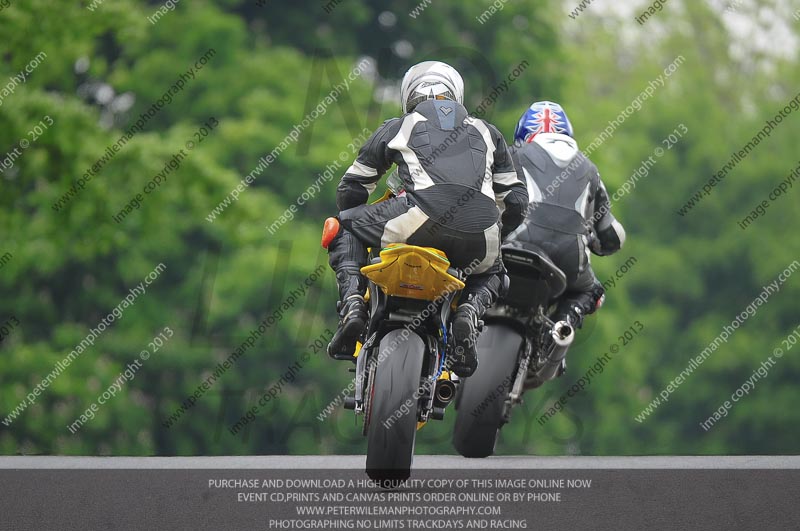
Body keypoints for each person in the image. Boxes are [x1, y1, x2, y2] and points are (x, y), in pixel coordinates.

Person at [322, 60, 528, 377]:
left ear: (409, 95)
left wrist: (361, 218)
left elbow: (351, 189)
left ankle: (353, 305)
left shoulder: (398, 126)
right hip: (480, 234)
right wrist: (499, 232)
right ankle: (469, 313)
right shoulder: (489, 132)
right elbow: (516, 200)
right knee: (495, 270)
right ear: (455, 93)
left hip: (413, 219)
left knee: (341, 228)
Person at [506, 101, 625, 329]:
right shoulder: (590, 169)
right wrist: (591, 240)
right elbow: (611, 237)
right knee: (592, 291)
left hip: (511, 247)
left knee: (471, 265)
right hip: (569, 262)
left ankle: (464, 317)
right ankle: (563, 325)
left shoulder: (513, 153)